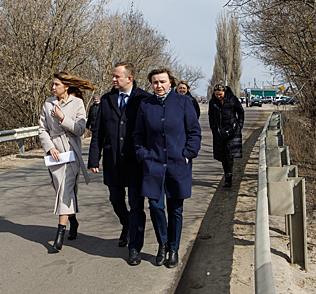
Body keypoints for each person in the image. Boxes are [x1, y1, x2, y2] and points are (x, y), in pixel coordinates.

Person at [133, 68, 201, 268]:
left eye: (162, 81)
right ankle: (162, 244)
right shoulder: (146, 105)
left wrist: (188, 153)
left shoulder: (184, 103)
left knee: (176, 209)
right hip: (153, 163)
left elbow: (194, 132)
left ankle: (174, 248)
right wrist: (143, 154)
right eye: (155, 82)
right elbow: (138, 134)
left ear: (170, 83)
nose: (159, 86)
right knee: (155, 206)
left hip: (178, 164)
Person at [88, 62, 150, 266]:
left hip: (135, 162)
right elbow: (98, 132)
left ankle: (134, 247)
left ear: (129, 78)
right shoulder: (106, 100)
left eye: (117, 76)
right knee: (115, 200)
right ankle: (127, 225)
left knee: (136, 205)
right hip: (113, 161)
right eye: (113, 76)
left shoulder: (143, 99)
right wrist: (94, 158)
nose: (113, 80)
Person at [38, 71, 95, 252]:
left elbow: (80, 130)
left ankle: (59, 234)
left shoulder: (77, 103)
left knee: (65, 191)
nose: (53, 87)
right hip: (54, 154)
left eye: (56, 84)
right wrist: (50, 147)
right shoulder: (48, 103)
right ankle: (73, 220)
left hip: (71, 152)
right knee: (60, 190)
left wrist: (63, 118)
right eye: (53, 84)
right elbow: (42, 129)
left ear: (66, 86)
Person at [208, 83, 244, 188]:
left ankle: (229, 177)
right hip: (219, 132)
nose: (218, 96)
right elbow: (211, 116)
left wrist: (239, 125)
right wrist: (213, 128)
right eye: (216, 94)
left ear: (224, 92)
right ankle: (227, 174)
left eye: (220, 94)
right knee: (222, 155)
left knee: (229, 154)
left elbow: (240, 111)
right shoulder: (212, 102)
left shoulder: (233, 100)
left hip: (232, 131)